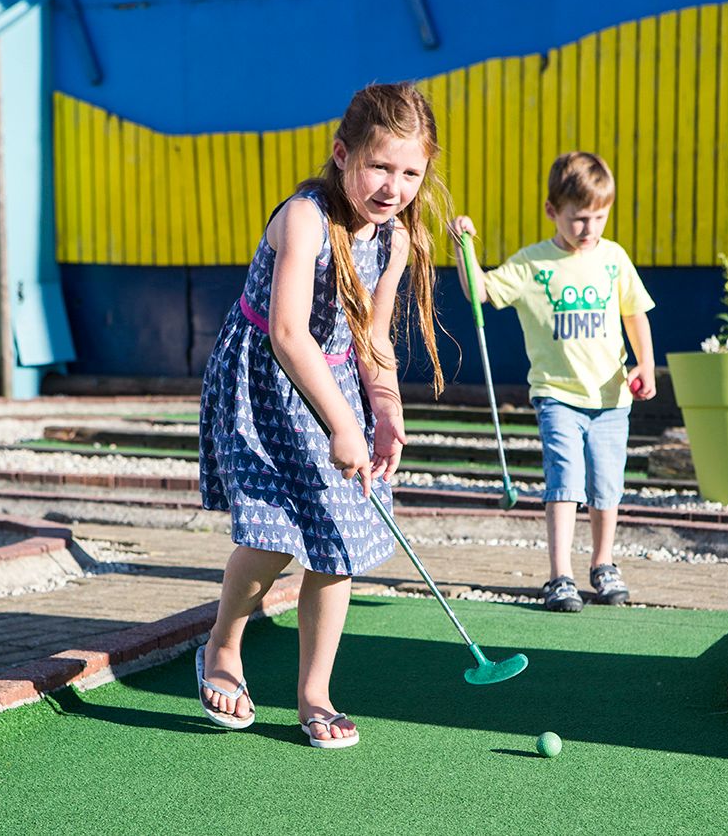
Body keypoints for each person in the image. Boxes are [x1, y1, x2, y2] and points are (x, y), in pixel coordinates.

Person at [198, 83, 450, 747]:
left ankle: (315, 692)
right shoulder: (306, 216)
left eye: (410, 172)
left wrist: (385, 411)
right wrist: (344, 424)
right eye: (380, 166)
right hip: (265, 380)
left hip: (333, 381)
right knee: (272, 536)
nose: (393, 185)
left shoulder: (395, 239)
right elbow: (287, 331)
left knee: (337, 542)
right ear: (343, 155)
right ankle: (224, 642)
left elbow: (372, 336)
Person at [448, 151, 656, 613]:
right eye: (579, 219)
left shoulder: (613, 258)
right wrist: (466, 250)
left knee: (606, 486)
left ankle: (603, 564)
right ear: (551, 211)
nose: (590, 229)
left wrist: (645, 363)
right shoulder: (532, 264)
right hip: (557, 395)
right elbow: (479, 292)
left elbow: (633, 311)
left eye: (599, 217)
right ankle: (559, 574)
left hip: (610, 395)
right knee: (565, 481)